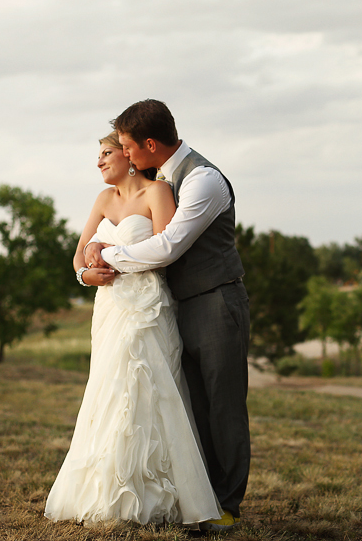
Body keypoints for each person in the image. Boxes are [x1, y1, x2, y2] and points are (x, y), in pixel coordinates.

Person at [84, 99, 250, 534]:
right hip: (174, 307)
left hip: (215, 301)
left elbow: (169, 245)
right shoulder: (162, 179)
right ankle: (198, 497)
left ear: (150, 145)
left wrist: (107, 255)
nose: (123, 153)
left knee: (223, 406)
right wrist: (88, 266)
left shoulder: (202, 180)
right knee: (190, 406)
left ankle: (227, 505)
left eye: (126, 146)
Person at [44, 131, 222, 528]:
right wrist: (85, 275)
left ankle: (158, 494)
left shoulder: (157, 192)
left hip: (147, 306)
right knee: (107, 388)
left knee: (148, 388)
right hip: (109, 307)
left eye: (107, 152)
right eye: (99, 155)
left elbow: (166, 252)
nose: (99, 161)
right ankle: (108, 492)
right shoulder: (103, 199)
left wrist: (107, 254)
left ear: (128, 154)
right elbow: (78, 255)